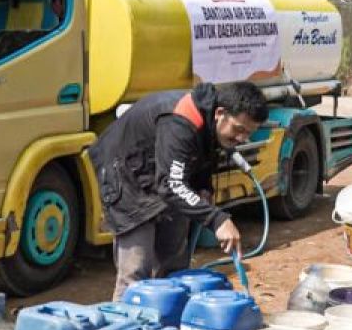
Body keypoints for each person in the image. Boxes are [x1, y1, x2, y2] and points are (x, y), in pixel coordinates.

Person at [89, 81, 268, 300]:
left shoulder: (213, 123)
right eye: (239, 129)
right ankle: (127, 326)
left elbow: (199, 159)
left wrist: (203, 190)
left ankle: (166, 325)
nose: (242, 138)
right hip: (126, 174)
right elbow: (171, 185)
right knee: (137, 273)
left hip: (165, 174)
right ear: (220, 113)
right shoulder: (181, 120)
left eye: (248, 133)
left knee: (175, 268)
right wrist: (217, 219)